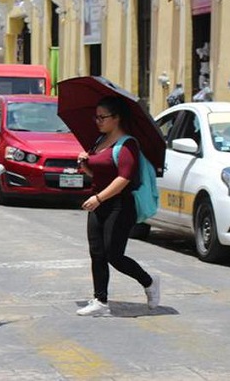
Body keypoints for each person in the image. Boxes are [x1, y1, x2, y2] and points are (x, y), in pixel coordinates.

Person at [75, 96, 160, 317]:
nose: (98, 121)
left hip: (119, 205)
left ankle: (149, 281)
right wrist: (85, 165)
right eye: (97, 116)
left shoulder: (127, 144)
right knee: (97, 253)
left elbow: (124, 178)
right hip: (99, 203)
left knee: (114, 255)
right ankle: (100, 301)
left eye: (103, 117)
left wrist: (99, 198)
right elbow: (100, 173)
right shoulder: (99, 141)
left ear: (117, 118)